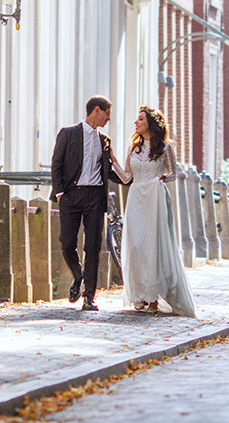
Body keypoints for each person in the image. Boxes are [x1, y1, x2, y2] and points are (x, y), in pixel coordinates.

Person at [111, 107, 196, 317]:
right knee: (135, 244)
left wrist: (161, 179)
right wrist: (112, 159)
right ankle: (138, 293)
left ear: (151, 123)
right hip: (136, 196)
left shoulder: (165, 148)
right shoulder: (134, 148)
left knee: (152, 245)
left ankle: (153, 297)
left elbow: (173, 173)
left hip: (155, 198)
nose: (136, 122)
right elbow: (126, 178)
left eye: (140, 119)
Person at [51, 96, 117, 311]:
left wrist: (139, 178)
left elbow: (110, 171)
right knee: (67, 242)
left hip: (95, 198)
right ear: (97, 110)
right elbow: (57, 164)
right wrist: (61, 193)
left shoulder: (104, 140)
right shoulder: (68, 133)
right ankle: (78, 275)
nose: (109, 118)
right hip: (71, 195)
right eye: (107, 113)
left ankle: (89, 296)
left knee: (93, 246)